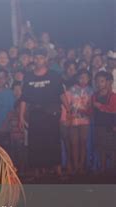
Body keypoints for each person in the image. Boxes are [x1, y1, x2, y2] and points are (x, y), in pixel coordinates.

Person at [19, 48, 70, 179]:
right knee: (35, 142)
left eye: (41, 57)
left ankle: (58, 170)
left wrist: (69, 109)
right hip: (35, 114)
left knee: (53, 141)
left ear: (46, 59)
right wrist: (21, 116)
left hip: (51, 113)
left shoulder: (54, 75)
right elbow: (24, 98)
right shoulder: (29, 76)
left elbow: (61, 94)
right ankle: (37, 172)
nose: (38, 60)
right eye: (36, 57)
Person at [66, 70, 93, 175]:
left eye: (86, 77)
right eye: (81, 77)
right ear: (77, 78)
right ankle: (75, 165)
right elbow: (68, 105)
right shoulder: (71, 90)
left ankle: (81, 165)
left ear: (89, 79)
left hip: (85, 120)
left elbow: (91, 106)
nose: (83, 79)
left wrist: (87, 111)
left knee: (83, 143)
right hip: (73, 120)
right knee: (74, 143)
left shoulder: (91, 91)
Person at [92, 71, 116, 173]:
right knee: (101, 147)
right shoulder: (94, 95)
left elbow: (114, 109)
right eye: (97, 82)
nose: (99, 84)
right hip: (98, 125)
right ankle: (103, 167)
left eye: (102, 81)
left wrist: (101, 106)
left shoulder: (113, 96)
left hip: (110, 126)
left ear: (107, 82)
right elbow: (91, 110)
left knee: (112, 148)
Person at [0, 69, 15, 149]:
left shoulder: (9, 93)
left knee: (3, 152)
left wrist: (5, 125)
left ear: (6, 79)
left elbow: (11, 111)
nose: (0, 80)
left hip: (3, 128)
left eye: (3, 77)